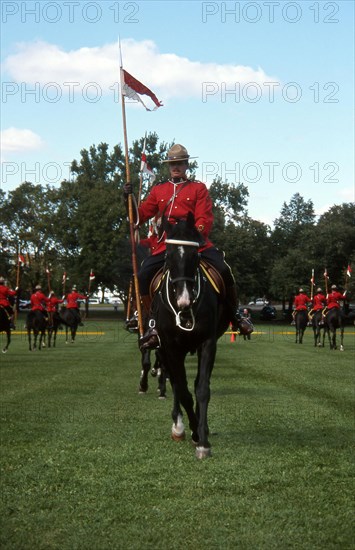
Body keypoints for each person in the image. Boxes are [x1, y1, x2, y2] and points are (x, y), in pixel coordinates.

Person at [124, 143, 241, 350]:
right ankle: (151, 321)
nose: (176, 167)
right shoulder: (159, 190)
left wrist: (193, 236)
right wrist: (128, 198)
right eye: (172, 164)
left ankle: (236, 316)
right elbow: (140, 216)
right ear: (168, 166)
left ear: (186, 165)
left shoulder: (198, 188)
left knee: (224, 270)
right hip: (166, 245)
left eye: (179, 163)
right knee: (143, 275)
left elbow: (204, 217)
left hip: (194, 242)